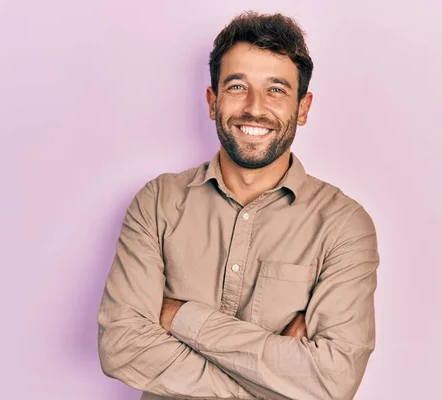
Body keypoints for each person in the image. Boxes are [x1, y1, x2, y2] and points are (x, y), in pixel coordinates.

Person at [97, 11, 380, 400]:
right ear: (213, 101)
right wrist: (277, 385)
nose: (254, 107)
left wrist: (179, 315)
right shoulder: (159, 202)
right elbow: (121, 348)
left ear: (303, 107)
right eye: (236, 86)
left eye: (276, 89)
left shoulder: (344, 224)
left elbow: (333, 379)